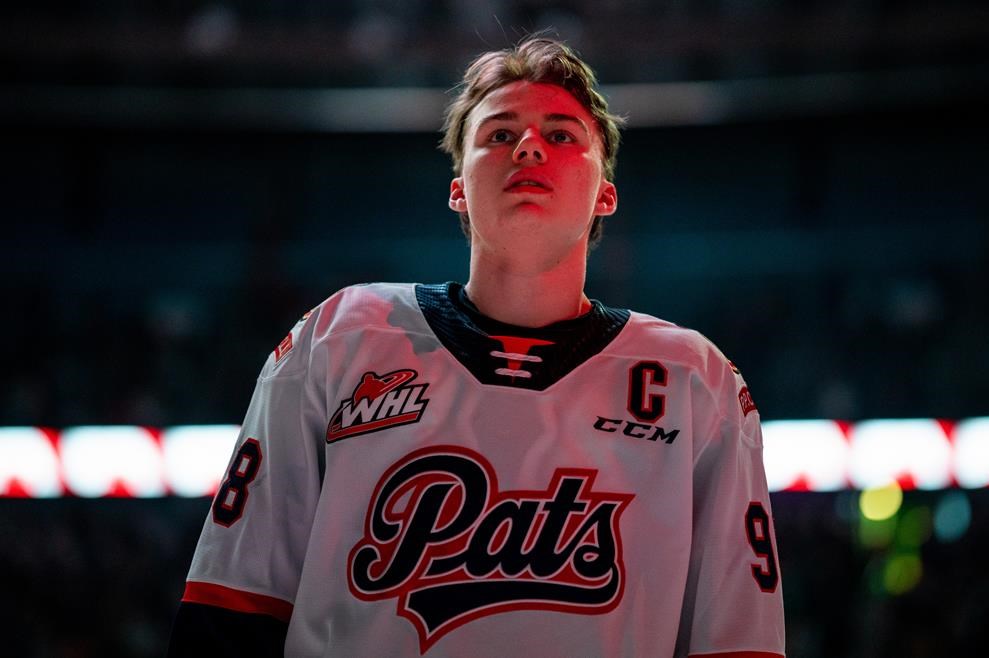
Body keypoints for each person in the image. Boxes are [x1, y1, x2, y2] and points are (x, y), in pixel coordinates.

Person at [168, 35, 785, 658]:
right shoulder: (339, 336)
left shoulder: (695, 380)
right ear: (458, 188)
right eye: (498, 134)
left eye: (562, 135)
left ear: (606, 195)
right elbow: (232, 604)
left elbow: (740, 641)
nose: (528, 146)